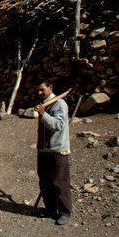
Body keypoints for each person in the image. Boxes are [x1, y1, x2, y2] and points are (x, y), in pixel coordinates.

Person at [34, 78, 72, 226]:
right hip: (43, 149)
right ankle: (50, 209)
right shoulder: (43, 104)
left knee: (60, 182)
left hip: (57, 150)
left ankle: (65, 212)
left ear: (50, 88)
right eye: (38, 90)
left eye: (42, 89)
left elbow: (58, 125)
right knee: (45, 182)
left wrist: (43, 115)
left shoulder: (59, 104)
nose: (39, 92)